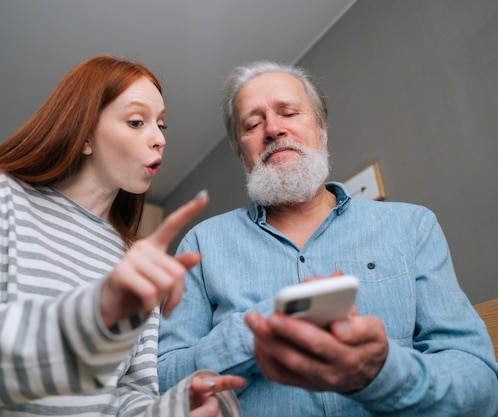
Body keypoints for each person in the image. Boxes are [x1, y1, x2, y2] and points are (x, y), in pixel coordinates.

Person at [0, 55, 245, 417]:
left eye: (161, 124)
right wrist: (90, 317)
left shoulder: (133, 257)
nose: (158, 139)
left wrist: (174, 411)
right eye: (136, 121)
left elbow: (126, 394)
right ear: (84, 136)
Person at [157, 60, 498, 416]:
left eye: (288, 112)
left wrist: (381, 373)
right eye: (253, 124)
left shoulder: (413, 226)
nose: (273, 129)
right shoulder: (201, 244)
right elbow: (163, 381)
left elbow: (482, 385)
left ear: (322, 130)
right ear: (241, 152)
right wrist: (255, 331)